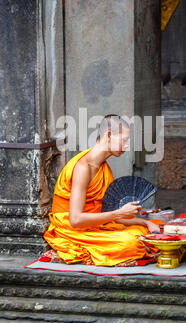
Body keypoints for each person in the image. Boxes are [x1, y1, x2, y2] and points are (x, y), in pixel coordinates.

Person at [43, 114, 160, 266]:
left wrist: (145, 223)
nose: (126, 146)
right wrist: (119, 212)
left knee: (145, 233)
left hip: (95, 225)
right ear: (109, 135)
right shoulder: (82, 167)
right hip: (73, 231)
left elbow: (108, 213)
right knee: (132, 243)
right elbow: (76, 220)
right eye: (124, 140)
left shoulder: (104, 168)